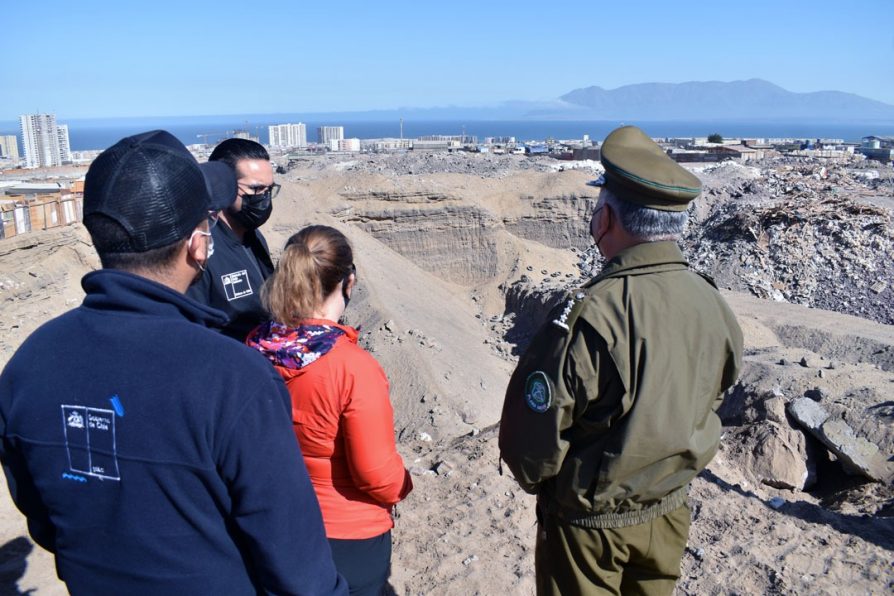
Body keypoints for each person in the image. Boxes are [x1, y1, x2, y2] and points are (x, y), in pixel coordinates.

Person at [0, 130, 346, 595]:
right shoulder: (234, 379)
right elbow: (298, 567)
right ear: (199, 245)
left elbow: (44, 521)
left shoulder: (28, 366)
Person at [499, 125, 744, 596]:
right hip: (669, 510)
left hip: (590, 528)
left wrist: (545, 486)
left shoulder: (592, 314)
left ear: (606, 219)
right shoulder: (712, 303)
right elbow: (715, 388)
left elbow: (533, 439)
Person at [246, 225, 412, 595]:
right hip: (345, 538)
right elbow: (375, 474)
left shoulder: (254, 346)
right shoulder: (353, 367)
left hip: (273, 523)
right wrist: (404, 483)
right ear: (348, 282)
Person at [188, 138, 279, 340]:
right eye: (256, 189)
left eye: (269, 190)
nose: (264, 198)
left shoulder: (254, 236)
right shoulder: (202, 249)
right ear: (224, 186)